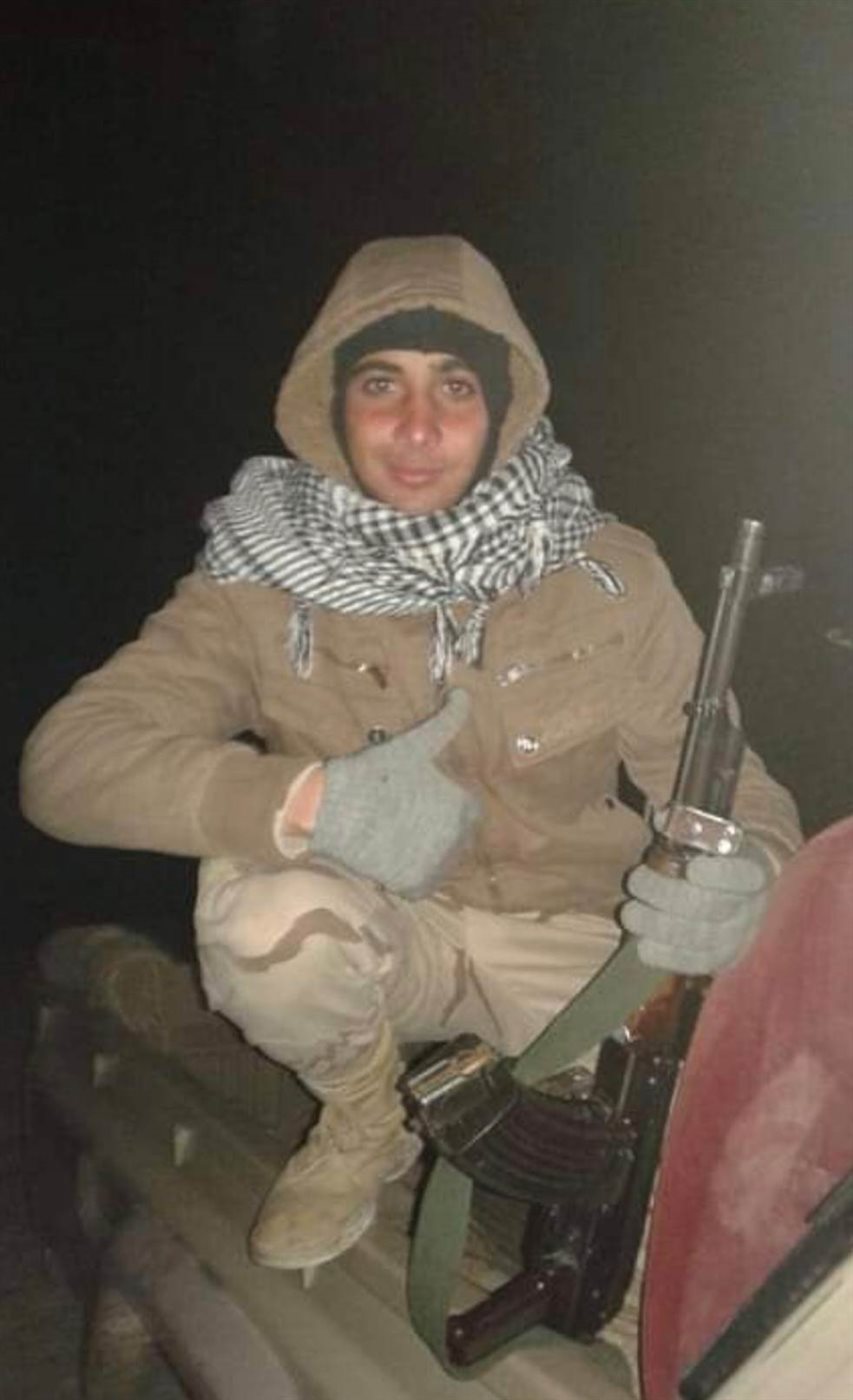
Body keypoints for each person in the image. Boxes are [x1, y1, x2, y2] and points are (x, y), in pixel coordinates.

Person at [21, 236, 800, 1282]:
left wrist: (748, 872)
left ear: (502, 409)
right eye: (381, 383)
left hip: (587, 937)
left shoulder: (608, 572)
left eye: (456, 386)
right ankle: (362, 1116)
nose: (419, 425)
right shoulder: (255, 583)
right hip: (388, 938)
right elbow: (65, 765)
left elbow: (730, 783)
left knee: (753, 1164)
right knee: (263, 911)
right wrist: (311, 801)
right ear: (331, 405)